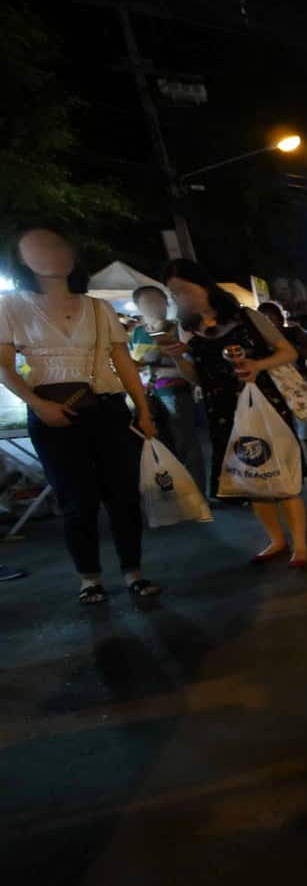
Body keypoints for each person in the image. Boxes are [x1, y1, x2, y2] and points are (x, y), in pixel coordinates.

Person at [0, 226, 161, 603]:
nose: (53, 252)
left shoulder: (98, 307)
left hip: (108, 408)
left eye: (58, 244)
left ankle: (133, 571)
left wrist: (143, 408)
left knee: (123, 495)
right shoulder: (12, 306)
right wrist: (38, 405)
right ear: (21, 260)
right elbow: (4, 365)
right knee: (76, 500)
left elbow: (122, 360)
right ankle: (89, 578)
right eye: (39, 247)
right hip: (53, 412)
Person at [162, 258, 307, 567]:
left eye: (183, 289)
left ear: (203, 286)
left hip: (265, 403)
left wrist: (257, 365)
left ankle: (300, 545)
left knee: (282, 475)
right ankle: (276, 540)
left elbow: (289, 351)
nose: (180, 298)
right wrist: (178, 359)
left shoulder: (247, 317)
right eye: (173, 293)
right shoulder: (188, 329)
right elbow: (197, 378)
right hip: (223, 410)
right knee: (251, 478)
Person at [127, 284, 207, 496]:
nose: (154, 305)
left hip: (175, 393)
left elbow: (193, 367)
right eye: (148, 301)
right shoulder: (137, 333)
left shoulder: (178, 328)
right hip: (148, 396)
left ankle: (197, 495)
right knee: (161, 447)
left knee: (187, 444)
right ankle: (174, 494)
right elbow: (133, 364)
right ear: (138, 306)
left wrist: (159, 365)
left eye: (158, 300)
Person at [259, 301, 307, 477]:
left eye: (270, 317)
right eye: (263, 318)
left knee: (305, 421)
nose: (268, 321)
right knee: (279, 425)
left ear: (279, 318)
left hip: (296, 383)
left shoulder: (292, 333)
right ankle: (290, 463)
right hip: (270, 385)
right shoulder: (257, 338)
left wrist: (290, 348)